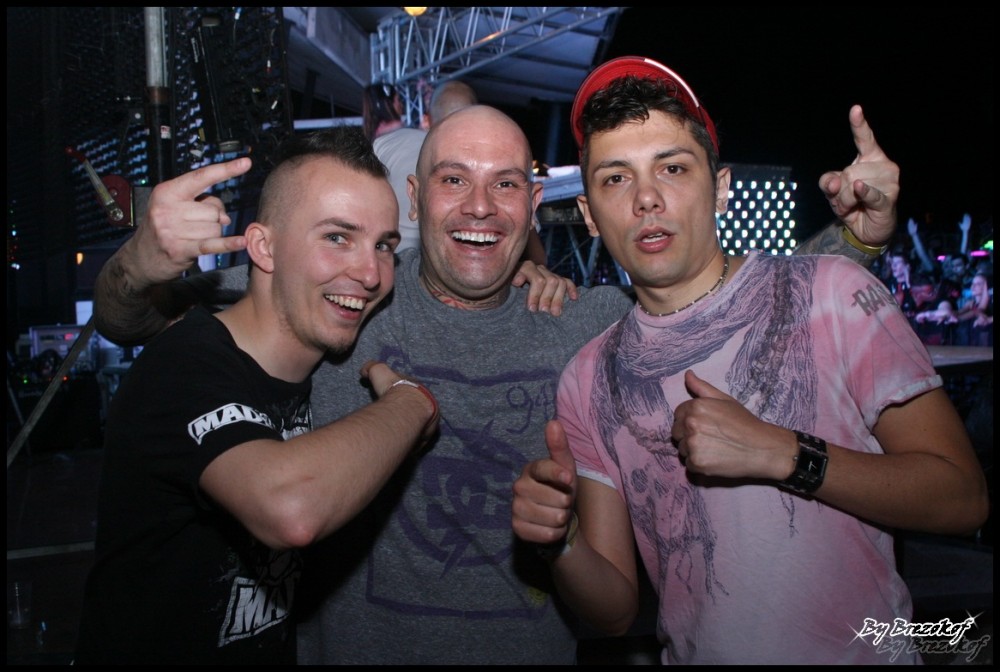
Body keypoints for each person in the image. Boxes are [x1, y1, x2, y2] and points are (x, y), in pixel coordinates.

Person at [93, 103, 902, 664]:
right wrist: (142, 258)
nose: (480, 207)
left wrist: (854, 244)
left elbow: (724, 302)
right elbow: (129, 321)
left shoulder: (584, 324)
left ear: (534, 202)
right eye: (454, 180)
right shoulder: (345, 292)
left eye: (506, 183)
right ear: (417, 198)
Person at [510, 56, 989, 665]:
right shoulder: (590, 375)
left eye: (673, 168)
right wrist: (562, 542)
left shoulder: (832, 292)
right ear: (588, 216)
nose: (647, 198)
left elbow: (962, 498)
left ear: (722, 188)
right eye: (615, 179)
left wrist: (782, 453)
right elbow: (614, 612)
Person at [74, 127, 440, 664]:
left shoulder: (333, 338)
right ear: (263, 247)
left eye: (383, 245)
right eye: (337, 237)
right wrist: (409, 404)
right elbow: (290, 509)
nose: (370, 274)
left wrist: (528, 271)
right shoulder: (185, 362)